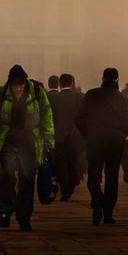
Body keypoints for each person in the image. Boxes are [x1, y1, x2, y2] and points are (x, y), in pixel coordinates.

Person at [0, 64, 54, 231]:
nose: (18, 88)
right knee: (5, 176)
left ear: (25, 82)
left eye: (21, 85)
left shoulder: (37, 93)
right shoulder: (0, 93)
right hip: (7, 142)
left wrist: (49, 142)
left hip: (29, 144)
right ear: (10, 84)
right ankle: (5, 212)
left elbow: (47, 116)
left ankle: (24, 216)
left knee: (27, 180)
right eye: (15, 85)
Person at [76, 68, 128, 225]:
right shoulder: (124, 99)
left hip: (95, 139)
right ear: (117, 79)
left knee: (93, 176)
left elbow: (79, 117)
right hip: (115, 141)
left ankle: (97, 199)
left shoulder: (91, 95)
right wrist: (120, 134)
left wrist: (88, 133)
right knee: (112, 177)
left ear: (103, 78)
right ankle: (108, 213)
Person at [49, 73, 82, 201]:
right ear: (72, 83)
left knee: (61, 164)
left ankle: (65, 190)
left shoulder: (54, 99)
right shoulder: (79, 96)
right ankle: (72, 183)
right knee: (73, 162)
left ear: (59, 84)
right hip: (75, 136)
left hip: (59, 136)